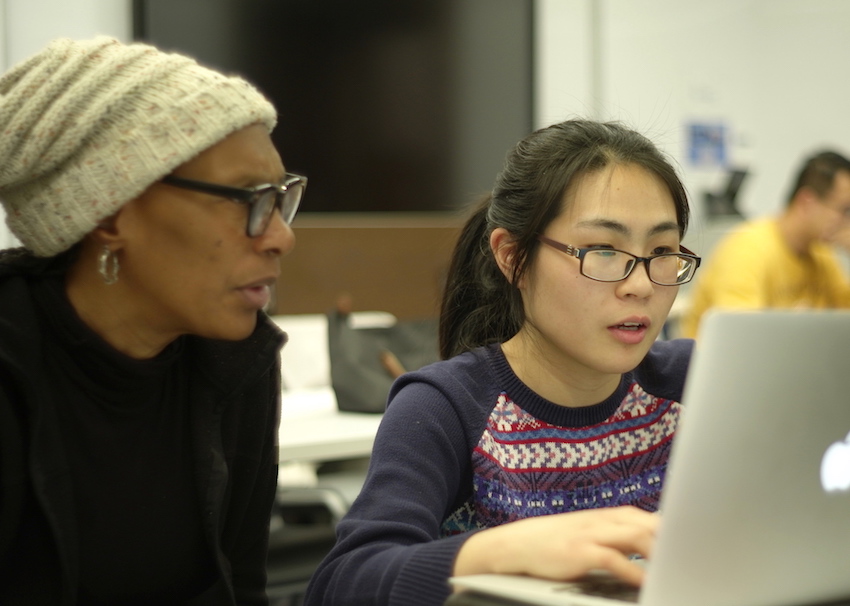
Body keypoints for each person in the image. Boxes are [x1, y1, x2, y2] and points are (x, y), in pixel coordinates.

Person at [304, 119, 701, 606]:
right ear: (513, 258)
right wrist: (503, 550)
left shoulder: (694, 382)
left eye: (662, 251)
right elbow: (343, 583)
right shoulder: (446, 407)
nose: (639, 284)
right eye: (603, 251)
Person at [0, 37, 306, 605]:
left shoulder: (237, 362)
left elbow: (243, 589)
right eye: (247, 199)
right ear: (111, 211)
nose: (282, 237)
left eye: (280, 197)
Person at [681, 150, 850, 338]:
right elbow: (743, 340)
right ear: (807, 202)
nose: (846, 221)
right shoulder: (747, 251)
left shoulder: (821, 253)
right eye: (844, 210)